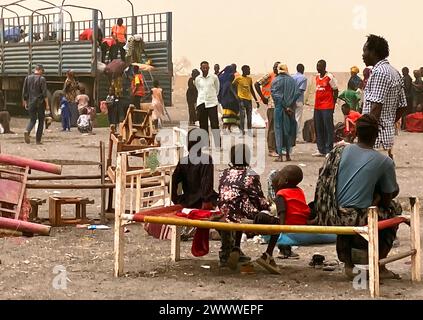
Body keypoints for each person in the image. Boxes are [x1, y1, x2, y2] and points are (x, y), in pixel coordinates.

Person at [313, 114, 401, 280]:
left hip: (330, 213)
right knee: (393, 209)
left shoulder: (339, 150)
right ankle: (379, 264)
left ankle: (348, 263)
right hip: (354, 218)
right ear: (376, 135)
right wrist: (378, 196)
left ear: (356, 133)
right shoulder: (384, 162)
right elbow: (389, 197)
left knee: (355, 207)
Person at [217, 144, 269, 269]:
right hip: (240, 211)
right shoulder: (251, 174)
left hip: (223, 210)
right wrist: (267, 207)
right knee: (249, 210)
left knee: (234, 209)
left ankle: (229, 251)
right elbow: (257, 197)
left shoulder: (223, 173)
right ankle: (236, 248)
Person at [362, 34, 407, 160]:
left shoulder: (379, 73)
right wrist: (388, 122)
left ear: (374, 52)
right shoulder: (394, 72)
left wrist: (365, 138)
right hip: (385, 137)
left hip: (375, 141)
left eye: (365, 50)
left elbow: (376, 108)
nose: (363, 55)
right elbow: (403, 106)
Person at [255, 165, 311, 265]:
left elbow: (282, 211)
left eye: (279, 175)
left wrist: (282, 227)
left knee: (261, 217)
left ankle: (268, 252)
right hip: (301, 221)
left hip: (287, 222)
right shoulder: (299, 191)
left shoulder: (281, 193)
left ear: (285, 181)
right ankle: (268, 254)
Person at [171, 128, 218, 240]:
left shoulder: (183, 161)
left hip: (187, 200)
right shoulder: (206, 159)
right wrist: (206, 201)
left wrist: (175, 199)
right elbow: (207, 184)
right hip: (202, 202)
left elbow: (174, 181)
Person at [271, 64, 300, 162]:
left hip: (279, 109)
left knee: (279, 131)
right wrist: (289, 105)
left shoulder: (276, 80)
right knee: (288, 131)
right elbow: (297, 93)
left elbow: (276, 95)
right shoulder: (292, 80)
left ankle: (280, 155)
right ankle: (288, 154)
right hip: (290, 109)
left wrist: (284, 106)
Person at [313, 59, 338, 157]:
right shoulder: (316, 77)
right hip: (317, 106)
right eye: (317, 66)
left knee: (328, 128)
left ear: (324, 67)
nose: (317, 68)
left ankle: (329, 150)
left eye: (319, 66)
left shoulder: (329, 77)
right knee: (318, 127)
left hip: (327, 106)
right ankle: (321, 149)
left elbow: (335, 90)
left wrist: (333, 104)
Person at [255, 62, 280, 157]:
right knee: (272, 128)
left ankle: (277, 148)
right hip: (271, 105)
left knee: (278, 128)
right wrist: (263, 97)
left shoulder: (282, 77)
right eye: (274, 67)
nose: (275, 69)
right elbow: (257, 84)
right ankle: (271, 149)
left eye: (276, 68)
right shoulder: (269, 76)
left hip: (279, 106)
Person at [194, 61, 220, 148]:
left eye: (206, 67)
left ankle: (217, 145)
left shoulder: (214, 77)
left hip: (212, 103)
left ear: (209, 68)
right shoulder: (198, 79)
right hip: (201, 103)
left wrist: (212, 97)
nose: (205, 69)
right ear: (200, 68)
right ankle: (206, 144)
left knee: (214, 124)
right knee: (203, 124)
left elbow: (217, 89)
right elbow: (198, 89)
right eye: (203, 68)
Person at [22, 64, 50, 145]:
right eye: (42, 71)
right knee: (41, 121)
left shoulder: (27, 78)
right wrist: (47, 105)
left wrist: (26, 102)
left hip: (31, 102)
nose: (42, 73)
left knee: (32, 119)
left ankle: (27, 130)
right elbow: (44, 93)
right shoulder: (42, 79)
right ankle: (38, 140)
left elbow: (25, 92)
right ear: (40, 70)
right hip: (40, 103)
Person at [232, 65, 259, 135]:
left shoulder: (249, 79)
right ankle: (242, 131)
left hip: (249, 100)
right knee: (242, 116)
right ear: (243, 70)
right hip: (242, 100)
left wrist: (256, 100)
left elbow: (252, 89)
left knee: (249, 117)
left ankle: (249, 131)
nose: (249, 71)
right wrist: (236, 96)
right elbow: (232, 87)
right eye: (248, 70)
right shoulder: (238, 78)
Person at [218, 65, 240, 133]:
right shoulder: (231, 76)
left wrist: (222, 71)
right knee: (232, 113)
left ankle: (226, 127)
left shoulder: (221, 76)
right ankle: (229, 127)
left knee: (225, 113)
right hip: (230, 98)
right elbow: (231, 87)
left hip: (223, 97)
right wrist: (236, 96)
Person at [292, 64, 308, 143]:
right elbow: (301, 90)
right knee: (297, 119)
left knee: (292, 118)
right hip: (299, 100)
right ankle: (296, 137)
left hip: (291, 101)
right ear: (303, 69)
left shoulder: (292, 77)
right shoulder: (303, 78)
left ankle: (291, 136)